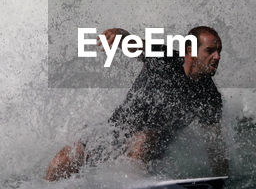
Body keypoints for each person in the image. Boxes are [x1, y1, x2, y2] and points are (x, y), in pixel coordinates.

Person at [43, 25, 229, 181]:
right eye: (210, 51)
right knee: (65, 159)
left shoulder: (209, 96)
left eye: (219, 51)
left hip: (152, 151)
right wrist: (119, 35)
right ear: (190, 50)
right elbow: (135, 44)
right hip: (115, 133)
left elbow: (215, 147)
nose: (217, 57)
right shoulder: (164, 58)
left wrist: (221, 183)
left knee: (144, 138)